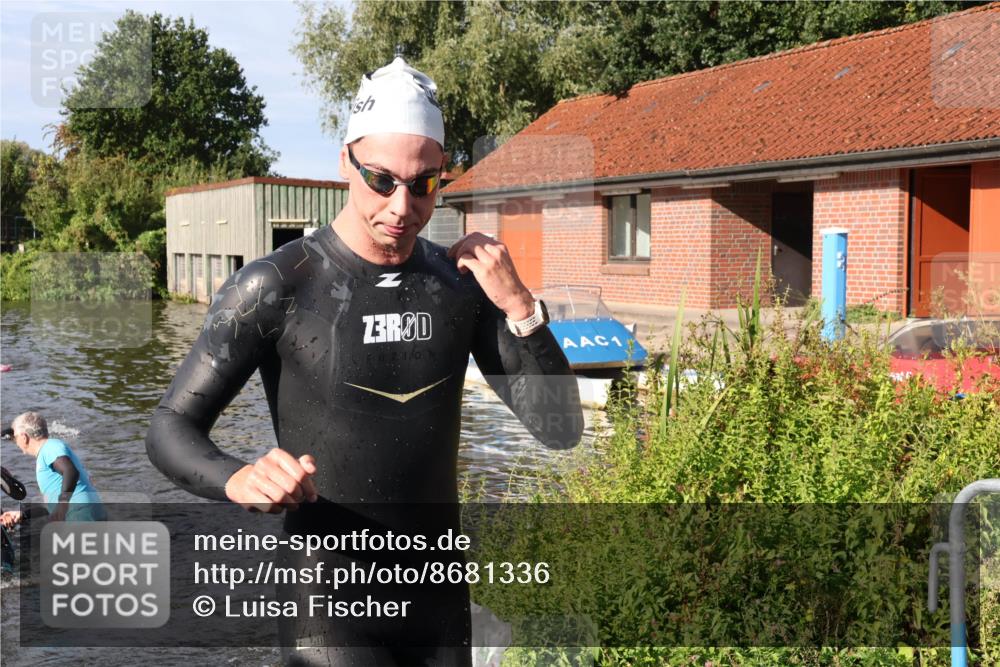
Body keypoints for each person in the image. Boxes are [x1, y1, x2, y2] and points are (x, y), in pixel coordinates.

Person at [146, 57, 583, 665]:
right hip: (327, 610)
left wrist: (520, 306)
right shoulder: (275, 285)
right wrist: (235, 477)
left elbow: (560, 429)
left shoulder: (460, 287)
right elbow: (170, 427)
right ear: (344, 164)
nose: (402, 206)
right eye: (381, 180)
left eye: (424, 183)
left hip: (438, 608)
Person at [4, 412, 106, 525]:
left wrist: (62, 506)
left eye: (15, 438)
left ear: (24, 437)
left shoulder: (50, 447)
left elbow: (70, 472)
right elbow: (49, 507)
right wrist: (22, 514)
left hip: (80, 514)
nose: (16, 443)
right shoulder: (48, 452)